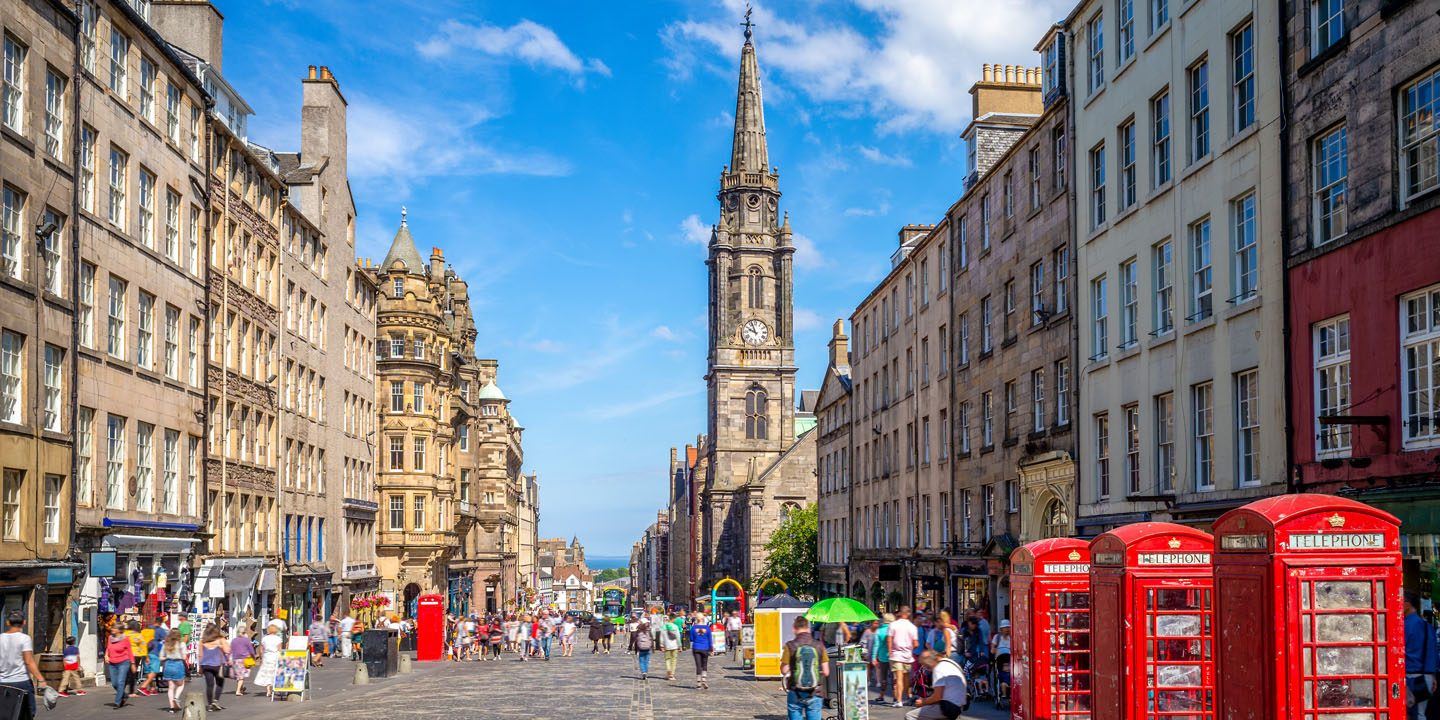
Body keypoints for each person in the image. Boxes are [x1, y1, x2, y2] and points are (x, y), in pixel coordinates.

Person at [0, 612, 48, 720]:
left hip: (2, 682)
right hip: (21, 682)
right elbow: (29, 661)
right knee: (28, 713)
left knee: (5, 714)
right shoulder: (24, 638)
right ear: (24, 622)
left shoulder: (0, 638)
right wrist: (41, 679)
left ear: (8, 622)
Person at [781, 616, 830, 720]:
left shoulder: (789, 646)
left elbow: (784, 670)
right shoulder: (819, 645)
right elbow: (826, 672)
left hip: (795, 691)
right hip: (815, 692)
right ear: (808, 628)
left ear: (794, 629)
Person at [905, 650, 967, 720]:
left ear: (931, 660)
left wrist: (923, 702)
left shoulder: (938, 669)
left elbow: (937, 697)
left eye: (925, 664)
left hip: (948, 707)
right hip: (958, 705)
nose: (924, 667)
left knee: (910, 715)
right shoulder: (951, 663)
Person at [1407, 592, 1439, 720]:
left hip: (1409, 678)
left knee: (1408, 714)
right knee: (1420, 714)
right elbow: (1433, 652)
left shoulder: (1403, 626)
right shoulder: (1427, 626)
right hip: (1426, 678)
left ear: (1407, 604)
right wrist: (1433, 676)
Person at [888, 607, 919, 707]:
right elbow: (916, 643)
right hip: (907, 655)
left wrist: (890, 651)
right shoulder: (912, 627)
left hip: (896, 654)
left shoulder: (893, 625)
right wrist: (909, 648)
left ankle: (899, 700)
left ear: (900, 613)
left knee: (899, 678)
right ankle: (907, 696)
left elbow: (889, 639)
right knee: (906, 677)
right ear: (908, 614)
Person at [198, 625, 230, 713]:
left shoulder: (202, 641)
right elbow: (227, 650)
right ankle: (215, 700)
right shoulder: (220, 639)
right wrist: (221, 646)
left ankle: (209, 705)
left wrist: (200, 667)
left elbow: (200, 655)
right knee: (220, 682)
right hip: (217, 665)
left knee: (209, 685)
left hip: (205, 665)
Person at [104, 622, 133, 709]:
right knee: (114, 683)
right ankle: (124, 695)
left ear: (119, 630)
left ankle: (117, 702)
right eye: (112, 627)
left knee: (120, 682)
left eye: (114, 628)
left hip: (123, 662)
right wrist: (106, 655)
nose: (112, 629)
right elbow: (108, 647)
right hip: (112, 663)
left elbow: (130, 651)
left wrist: (133, 663)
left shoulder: (125, 639)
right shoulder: (110, 638)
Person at [253, 621, 284, 699]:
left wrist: (261, 657)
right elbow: (280, 650)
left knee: (267, 673)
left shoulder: (265, 638)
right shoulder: (278, 639)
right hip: (275, 657)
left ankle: (268, 690)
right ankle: (274, 688)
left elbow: (261, 649)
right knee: (275, 673)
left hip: (267, 657)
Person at [160, 629, 188, 713]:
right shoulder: (181, 644)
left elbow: (161, 657)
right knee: (181, 684)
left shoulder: (166, 644)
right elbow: (184, 657)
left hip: (168, 665)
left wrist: (168, 657)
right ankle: (176, 697)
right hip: (178, 664)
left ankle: (172, 707)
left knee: (171, 687)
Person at [229, 622, 256, 696]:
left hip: (235, 660)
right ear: (244, 632)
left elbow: (231, 650)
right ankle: (238, 691)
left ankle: (241, 688)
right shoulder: (246, 640)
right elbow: (251, 650)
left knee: (239, 675)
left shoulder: (234, 640)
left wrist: (229, 659)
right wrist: (253, 657)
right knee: (241, 676)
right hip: (244, 660)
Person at [688, 616, 714, 689]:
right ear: (703, 619)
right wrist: (711, 649)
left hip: (696, 647)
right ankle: (704, 679)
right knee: (704, 664)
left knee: (698, 665)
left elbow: (691, 638)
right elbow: (710, 639)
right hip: (705, 648)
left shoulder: (693, 628)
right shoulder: (707, 628)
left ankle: (698, 683)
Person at [872, 613, 893, 704]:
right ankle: (896, 697)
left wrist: (874, 657)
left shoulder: (879, 631)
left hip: (882, 657)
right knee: (894, 677)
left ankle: (881, 696)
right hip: (893, 657)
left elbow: (876, 645)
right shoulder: (893, 629)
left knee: (883, 678)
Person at [659, 615, 682, 681]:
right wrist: (680, 645)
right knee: (674, 660)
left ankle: (669, 671)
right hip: (674, 645)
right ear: (673, 619)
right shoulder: (675, 627)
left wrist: (661, 645)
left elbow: (661, 637)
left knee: (667, 659)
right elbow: (678, 637)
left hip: (667, 645)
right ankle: (672, 674)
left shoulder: (663, 626)